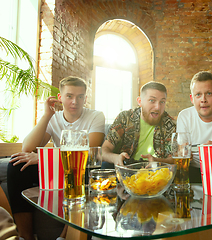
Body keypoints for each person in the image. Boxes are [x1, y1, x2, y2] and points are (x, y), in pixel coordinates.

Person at [7, 76, 105, 240]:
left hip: (79, 169)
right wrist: (46, 115)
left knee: (83, 169)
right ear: (60, 98)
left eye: (80, 96)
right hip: (57, 169)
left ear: (85, 98)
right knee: (17, 165)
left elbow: (88, 152)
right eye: (69, 96)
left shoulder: (96, 116)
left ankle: (65, 236)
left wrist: (43, 158)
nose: (75, 101)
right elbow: (27, 148)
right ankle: (25, 236)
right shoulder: (54, 118)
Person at [102, 81, 176, 167]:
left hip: (156, 173)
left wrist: (156, 161)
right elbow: (103, 151)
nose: (157, 107)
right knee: (105, 165)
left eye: (162, 102)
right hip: (125, 169)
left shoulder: (170, 124)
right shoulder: (125, 118)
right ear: (140, 101)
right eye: (152, 100)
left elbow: (175, 158)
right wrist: (116, 158)